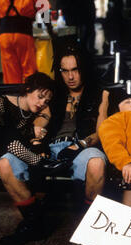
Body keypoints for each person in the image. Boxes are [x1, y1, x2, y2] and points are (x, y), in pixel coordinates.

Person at [0, 72, 63, 245]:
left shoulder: (33, 111)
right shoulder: (1, 103)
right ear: (27, 90)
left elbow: (43, 118)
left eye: (46, 101)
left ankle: (34, 226)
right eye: (39, 96)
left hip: (0, 153)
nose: (42, 102)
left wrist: (41, 121)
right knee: (8, 138)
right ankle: (41, 164)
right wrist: (30, 134)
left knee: (18, 148)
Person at [47, 45, 107, 212]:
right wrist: (36, 140)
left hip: (83, 147)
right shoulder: (54, 93)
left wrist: (80, 145)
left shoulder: (100, 93)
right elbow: (41, 120)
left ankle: (89, 221)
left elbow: (101, 132)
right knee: (9, 161)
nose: (70, 76)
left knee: (96, 162)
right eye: (65, 71)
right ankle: (32, 222)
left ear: (84, 69)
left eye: (75, 70)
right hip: (51, 147)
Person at [0, 0, 41, 84]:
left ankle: (12, 95)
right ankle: (30, 93)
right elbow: (45, 7)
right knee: (29, 71)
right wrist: (48, 27)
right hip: (24, 33)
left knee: (10, 73)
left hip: (4, 35)